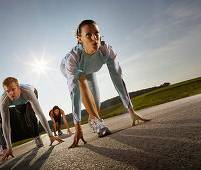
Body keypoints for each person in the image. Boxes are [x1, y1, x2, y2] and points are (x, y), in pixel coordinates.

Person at [60, 19, 151, 148]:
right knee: (80, 78)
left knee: (96, 104)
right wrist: (77, 126)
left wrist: (130, 109)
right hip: (73, 69)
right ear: (80, 39)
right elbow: (74, 92)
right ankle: (97, 121)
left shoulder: (106, 51)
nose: (94, 38)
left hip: (89, 70)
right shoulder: (73, 58)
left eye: (96, 33)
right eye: (89, 35)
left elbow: (118, 78)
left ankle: (92, 119)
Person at [0, 77, 64, 161]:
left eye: (13, 89)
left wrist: (50, 135)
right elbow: (5, 124)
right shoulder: (3, 100)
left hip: (31, 94)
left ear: (18, 87)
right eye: (8, 91)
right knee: (23, 123)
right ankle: (33, 134)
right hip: (20, 102)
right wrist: (9, 147)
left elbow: (40, 114)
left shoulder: (28, 92)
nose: (11, 93)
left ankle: (37, 137)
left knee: (30, 114)